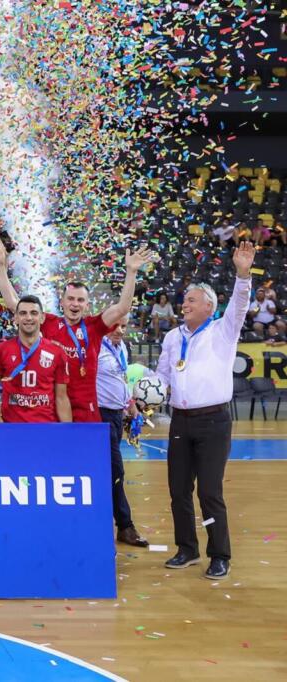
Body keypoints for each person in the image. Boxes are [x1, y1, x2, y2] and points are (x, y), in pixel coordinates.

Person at [157, 242, 255, 580]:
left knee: (210, 492)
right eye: (184, 300)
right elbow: (163, 376)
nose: (184, 304)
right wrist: (146, 394)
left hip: (214, 421)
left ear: (209, 306)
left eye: (191, 300)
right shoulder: (172, 337)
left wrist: (243, 274)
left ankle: (220, 554)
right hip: (180, 421)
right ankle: (187, 548)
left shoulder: (223, 331)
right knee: (178, 491)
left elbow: (239, 304)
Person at [0, 239, 155, 422]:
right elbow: (14, 303)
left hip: (87, 410)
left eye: (80, 300)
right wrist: (0, 268)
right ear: (61, 302)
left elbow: (122, 308)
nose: (75, 304)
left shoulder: (94, 326)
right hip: (55, 409)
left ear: (87, 305)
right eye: (70, 299)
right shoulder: (48, 322)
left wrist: (131, 272)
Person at [96, 316, 148, 547]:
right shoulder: (95, 346)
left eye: (123, 326)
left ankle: (104, 524)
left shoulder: (121, 348)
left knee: (109, 471)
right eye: (115, 325)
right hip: (100, 416)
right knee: (116, 471)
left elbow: (121, 379)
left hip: (117, 415)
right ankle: (125, 526)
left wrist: (131, 405)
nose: (119, 330)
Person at [0, 295, 72, 423]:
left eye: (34, 313)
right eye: (23, 313)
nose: (28, 318)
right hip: (12, 427)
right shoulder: (1, 350)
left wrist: (67, 431)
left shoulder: (57, 352)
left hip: (46, 427)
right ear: (16, 318)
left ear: (42, 318)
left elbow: (61, 398)